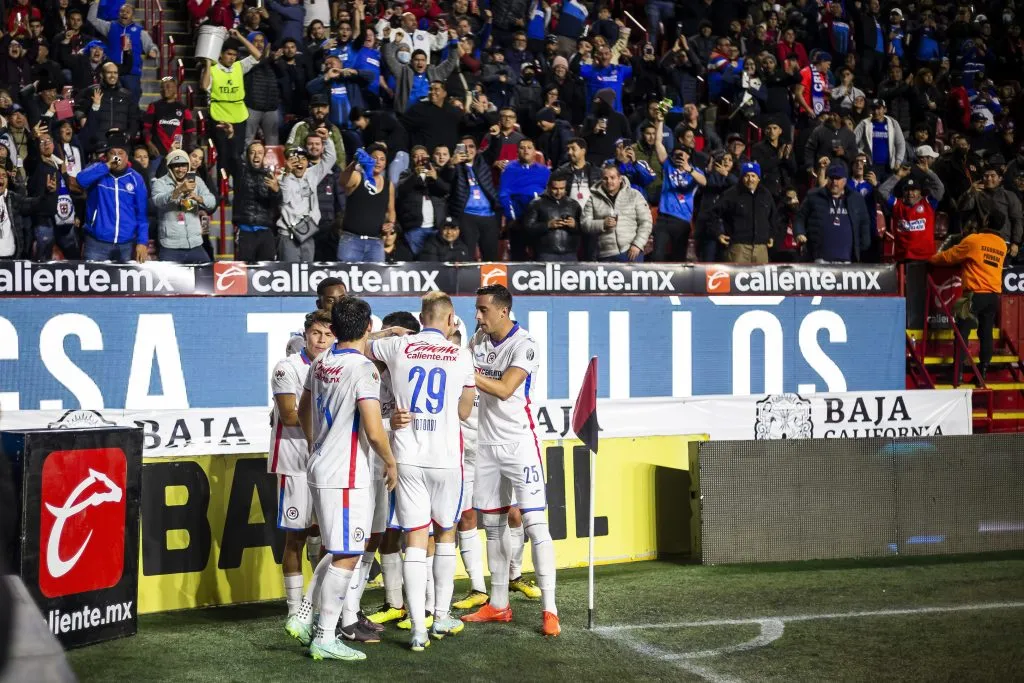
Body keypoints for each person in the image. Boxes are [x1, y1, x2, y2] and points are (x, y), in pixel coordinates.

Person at [292, 296, 397, 662]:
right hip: (347, 474)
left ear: (333, 330)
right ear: (368, 328)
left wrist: (316, 442)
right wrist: (390, 459)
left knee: (338, 547)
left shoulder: (321, 360)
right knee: (349, 554)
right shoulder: (363, 369)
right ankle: (324, 636)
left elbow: (302, 411)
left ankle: (303, 614)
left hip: (321, 466)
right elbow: (372, 426)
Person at [369, 292, 476, 649]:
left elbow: (359, 343)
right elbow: (464, 411)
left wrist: (391, 332)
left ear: (421, 316)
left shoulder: (399, 346)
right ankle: (441, 616)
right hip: (445, 459)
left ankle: (417, 628)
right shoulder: (462, 355)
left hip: (408, 457)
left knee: (414, 538)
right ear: (450, 320)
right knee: (445, 533)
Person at [461, 284, 559, 638]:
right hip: (486, 447)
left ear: (503, 311)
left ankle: (550, 609)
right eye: (477, 309)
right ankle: (498, 604)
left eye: (483, 310)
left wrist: (462, 370)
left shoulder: (525, 344)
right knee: (493, 527)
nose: (478, 316)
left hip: (519, 445)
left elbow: (504, 389)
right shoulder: (478, 341)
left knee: (535, 524)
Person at [271, 310, 334, 624]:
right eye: (316, 333)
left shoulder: (334, 367)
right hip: (294, 460)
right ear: (305, 334)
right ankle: (294, 611)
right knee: (295, 537)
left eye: (327, 334)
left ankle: (318, 606)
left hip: (326, 461)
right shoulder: (288, 367)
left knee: (326, 537)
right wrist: (334, 423)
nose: (321, 340)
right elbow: (288, 415)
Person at [929, 217, 1007, 384]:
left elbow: (950, 256)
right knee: (986, 333)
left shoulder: (974, 240)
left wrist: (931, 259)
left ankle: (957, 374)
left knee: (960, 331)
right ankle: (983, 373)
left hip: (971, 294)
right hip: (993, 296)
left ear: (986, 222)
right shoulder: (1002, 244)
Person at [76, 133, 149, 262]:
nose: (116, 157)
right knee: (91, 281)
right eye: (112, 153)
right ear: (106, 156)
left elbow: (142, 215)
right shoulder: (98, 171)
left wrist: (142, 242)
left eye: (120, 153)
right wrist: (107, 166)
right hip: (97, 243)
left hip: (126, 244)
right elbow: (81, 180)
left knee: (125, 282)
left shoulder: (136, 179)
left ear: (127, 157)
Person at [201, 31, 264, 180]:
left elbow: (258, 55)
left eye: (234, 55)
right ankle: (223, 189)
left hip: (239, 117)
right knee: (223, 154)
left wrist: (240, 37)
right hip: (220, 116)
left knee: (237, 154)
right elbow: (204, 86)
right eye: (229, 54)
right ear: (221, 54)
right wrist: (209, 63)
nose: (232, 57)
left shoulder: (238, 67)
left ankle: (237, 185)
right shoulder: (213, 70)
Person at [796, 161, 874, 263]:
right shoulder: (813, 196)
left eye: (838, 178)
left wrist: (864, 243)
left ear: (845, 180)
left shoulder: (856, 199)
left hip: (847, 261)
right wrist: (799, 232)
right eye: (832, 178)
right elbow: (800, 217)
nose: (834, 182)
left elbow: (864, 221)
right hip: (820, 260)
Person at [150, 149, 218, 263]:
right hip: (170, 246)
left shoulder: (197, 181)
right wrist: (180, 190)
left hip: (195, 244)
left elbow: (212, 202)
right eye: (176, 166)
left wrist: (198, 198)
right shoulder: (160, 183)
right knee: (170, 280)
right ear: (170, 167)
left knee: (206, 277)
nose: (181, 169)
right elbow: (158, 201)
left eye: (184, 165)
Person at [277, 136, 338, 262]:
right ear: (288, 162)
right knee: (290, 274)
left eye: (303, 159)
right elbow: (285, 198)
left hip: (308, 234)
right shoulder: (282, 179)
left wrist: (326, 139)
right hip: (289, 236)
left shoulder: (312, 174)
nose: (299, 162)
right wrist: (287, 175)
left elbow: (330, 158)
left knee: (307, 274)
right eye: (294, 159)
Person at [87, 1, 159, 105]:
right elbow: (92, 19)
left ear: (132, 15)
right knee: (111, 102)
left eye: (127, 12)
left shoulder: (140, 32)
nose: (124, 13)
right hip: (112, 72)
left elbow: (151, 46)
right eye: (122, 11)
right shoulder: (110, 26)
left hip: (132, 74)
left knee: (132, 103)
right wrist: (95, 3)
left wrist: (153, 51)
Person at [710, 162, 780, 264]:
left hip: (761, 248)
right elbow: (712, 214)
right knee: (735, 279)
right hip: (738, 248)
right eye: (746, 175)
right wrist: (718, 234)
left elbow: (773, 217)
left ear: (758, 178)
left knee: (760, 278)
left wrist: (771, 235)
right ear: (742, 177)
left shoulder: (766, 194)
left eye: (753, 176)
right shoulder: (731, 194)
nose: (750, 179)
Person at [582, 163, 652, 262]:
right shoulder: (592, 198)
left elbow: (646, 222)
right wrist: (602, 224)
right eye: (605, 178)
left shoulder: (635, 195)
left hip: (631, 252)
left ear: (620, 178)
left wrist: (638, 244)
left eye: (612, 177)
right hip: (605, 255)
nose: (609, 181)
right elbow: (585, 224)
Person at [338, 143, 394, 262]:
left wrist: (390, 224)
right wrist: (354, 163)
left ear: (385, 163)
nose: (378, 162)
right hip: (351, 241)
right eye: (374, 158)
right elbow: (343, 181)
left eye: (382, 159)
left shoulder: (389, 185)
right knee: (347, 279)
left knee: (376, 280)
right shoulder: (357, 177)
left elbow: (391, 211)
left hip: (376, 243)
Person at [449, 134, 500, 260]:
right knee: (467, 257)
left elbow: (494, 150)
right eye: (464, 147)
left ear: (477, 149)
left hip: (489, 216)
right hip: (467, 216)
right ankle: (468, 280)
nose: (468, 150)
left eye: (471, 146)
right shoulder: (455, 165)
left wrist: (496, 136)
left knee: (491, 258)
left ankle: (492, 280)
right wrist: (451, 165)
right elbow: (445, 181)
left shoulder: (482, 160)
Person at [499, 138, 549, 259]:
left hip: (539, 220)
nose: (526, 150)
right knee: (518, 257)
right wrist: (513, 217)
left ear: (534, 151)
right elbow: (504, 195)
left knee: (541, 256)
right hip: (518, 220)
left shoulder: (544, 171)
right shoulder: (510, 169)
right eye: (522, 148)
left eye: (529, 147)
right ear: (517, 152)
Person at [655, 144, 706, 262]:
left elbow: (704, 182)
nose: (678, 157)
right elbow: (658, 144)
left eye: (681, 154)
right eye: (675, 154)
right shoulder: (669, 166)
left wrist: (689, 169)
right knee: (657, 256)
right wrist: (660, 124)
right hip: (663, 218)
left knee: (678, 258)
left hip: (682, 221)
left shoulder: (695, 171)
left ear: (688, 156)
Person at [233, 140, 281, 262]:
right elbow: (233, 156)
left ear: (264, 156)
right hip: (246, 231)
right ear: (248, 156)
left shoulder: (269, 176)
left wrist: (276, 191)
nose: (256, 156)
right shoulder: (240, 173)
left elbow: (276, 204)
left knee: (268, 270)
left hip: (266, 231)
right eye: (252, 152)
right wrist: (231, 137)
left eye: (259, 152)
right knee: (245, 271)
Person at [523, 172, 582, 261]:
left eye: (562, 188)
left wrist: (574, 225)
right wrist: (547, 225)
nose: (558, 192)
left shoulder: (574, 204)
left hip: (570, 254)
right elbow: (527, 228)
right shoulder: (536, 203)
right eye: (555, 189)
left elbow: (584, 229)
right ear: (548, 187)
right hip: (545, 254)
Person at [853, 99, 907, 179]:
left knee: (887, 189)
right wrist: (861, 154)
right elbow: (852, 142)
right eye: (873, 109)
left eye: (878, 108)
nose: (875, 111)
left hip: (889, 166)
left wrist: (898, 161)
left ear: (885, 109)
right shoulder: (864, 123)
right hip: (869, 165)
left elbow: (900, 143)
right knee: (871, 189)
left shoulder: (893, 123)